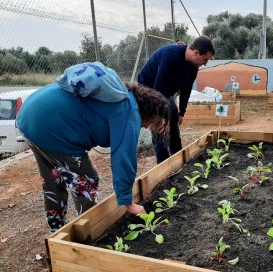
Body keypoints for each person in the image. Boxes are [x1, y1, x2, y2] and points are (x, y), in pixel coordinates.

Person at [16, 62, 169, 232]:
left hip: (30, 114)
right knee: (86, 179)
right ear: (148, 111)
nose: (147, 127)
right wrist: (127, 202)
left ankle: (56, 228)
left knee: (53, 177)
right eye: (152, 122)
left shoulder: (120, 94)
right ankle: (92, 230)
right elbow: (123, 157)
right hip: (51, 127)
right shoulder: (128, 111)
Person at [138, 36, 215, 164]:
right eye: (205, 59)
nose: (206, 63)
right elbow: (158, 90)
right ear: (196, 53)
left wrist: (181, 113)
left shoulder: (193, 66)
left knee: (173, 117)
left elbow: (186, 88)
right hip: (148, 90)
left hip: (165, 91)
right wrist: (160, 116)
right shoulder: (170, 57)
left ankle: (179, 160)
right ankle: (164, 165)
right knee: (160, 127)